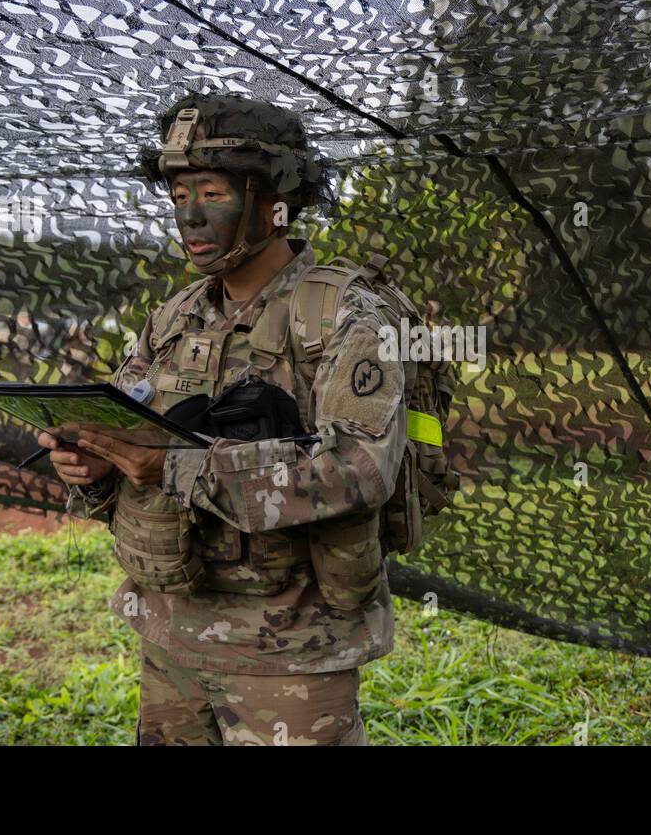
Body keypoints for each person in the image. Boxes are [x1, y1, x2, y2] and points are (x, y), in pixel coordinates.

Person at [38, 93, 408, 745]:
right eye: (180, 195)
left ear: (274, 198)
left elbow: (360, 469)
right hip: (171, 642)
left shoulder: (342, 320)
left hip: (289, 657)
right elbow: (127, 434)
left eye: (212, 190)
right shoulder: (174, 317)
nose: (192, 215)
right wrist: (96, 463)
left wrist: (176, 466)